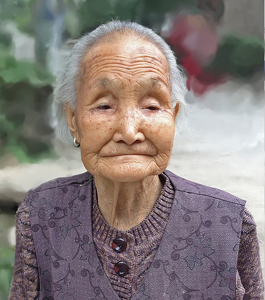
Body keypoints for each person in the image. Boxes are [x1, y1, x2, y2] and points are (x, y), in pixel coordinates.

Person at [9, 21, 264, 300]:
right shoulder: (40, 216)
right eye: (104, 105)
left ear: (173, 116)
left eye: (152, 106)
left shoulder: (229, 225)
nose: (130, 132)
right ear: (73, 120)